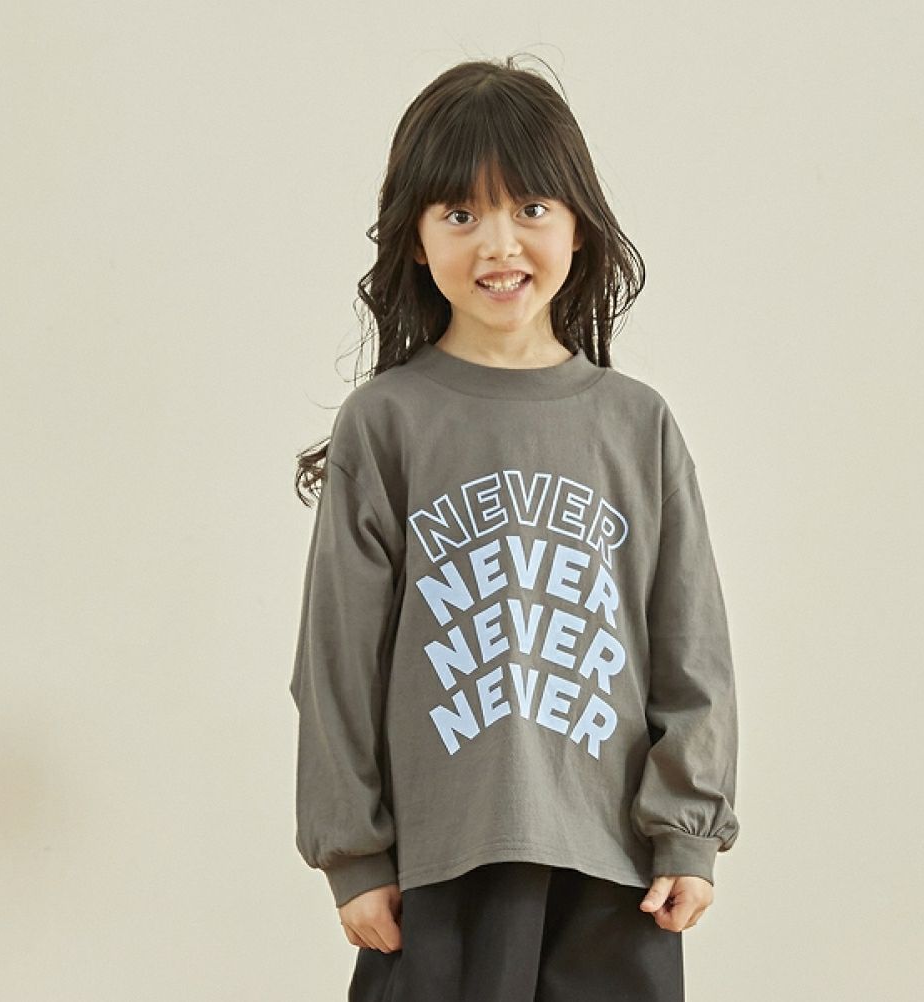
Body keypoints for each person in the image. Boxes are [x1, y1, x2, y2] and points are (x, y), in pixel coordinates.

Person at [289, 54, 740, 1002]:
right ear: (416, 239)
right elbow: (338, 660)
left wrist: (688, 832)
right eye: (460, 214)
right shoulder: (387, 423)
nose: (499, 244)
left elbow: (690, 645)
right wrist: (354, 853)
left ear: (578, 225)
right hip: (440, 862)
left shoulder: (637, 423)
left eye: (531, 207)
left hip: (616, 868)